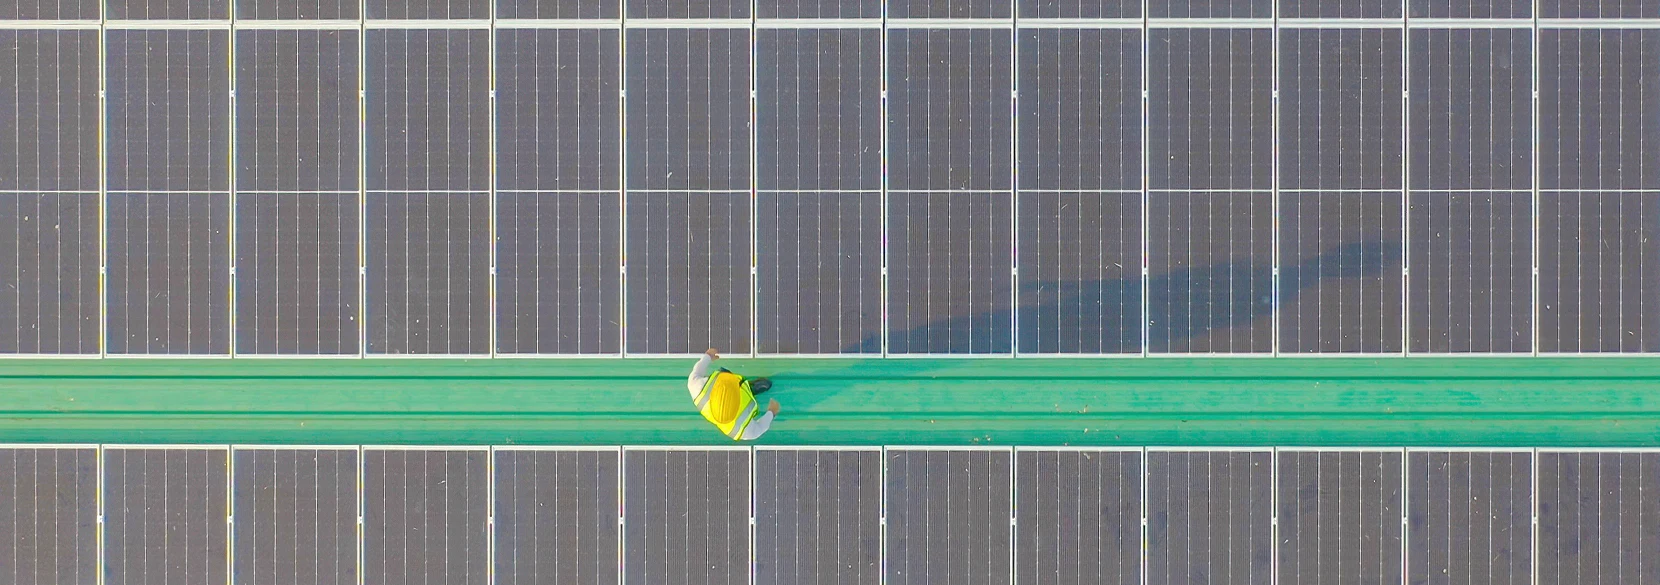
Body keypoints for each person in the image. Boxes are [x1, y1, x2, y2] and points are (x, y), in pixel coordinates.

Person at [687, 347, 779, 441]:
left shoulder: (698, 389)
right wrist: (771, 413)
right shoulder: (741, 429)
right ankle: (749, 389)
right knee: (743, 389)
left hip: (726, 387)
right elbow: (759, 429)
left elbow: (696, 373)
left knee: (725, 373)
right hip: (740, 397)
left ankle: (740, 384)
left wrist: (708, 356)